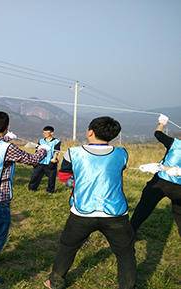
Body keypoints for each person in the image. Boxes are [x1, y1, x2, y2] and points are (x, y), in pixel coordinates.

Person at [44, 116, 136, 289]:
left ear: (90, 132)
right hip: (116, 213)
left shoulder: (73, 152)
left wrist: (74, 183)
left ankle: (55, 282)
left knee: (67, 247)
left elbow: (64, 176)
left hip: (82, 212)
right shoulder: (122, 153)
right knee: (125, 253)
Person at [0, 111, 47, 284]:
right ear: (6, 127)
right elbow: (32, 159)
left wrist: (5, 139)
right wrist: (43, 150)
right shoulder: (7, 147)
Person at [131, 114, 180, 236]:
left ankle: (130, 233)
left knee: (143, 209)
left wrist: (162, 123)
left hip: (161, 182)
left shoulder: (175, 143)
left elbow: (158, 134)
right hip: (178, 188)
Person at [28, 126, 61, 194]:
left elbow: (56, 151)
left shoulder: (56, 141)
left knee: (51, 178)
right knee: (35, 176)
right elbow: (37, 150)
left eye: (47, 132)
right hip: (40, 162)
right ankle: (32, 189)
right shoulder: (41, 141)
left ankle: (50, 191)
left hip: (50, 162)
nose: (45, 134)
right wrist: (35, 160)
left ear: (52, 133)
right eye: (44, 132)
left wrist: (54, 159)